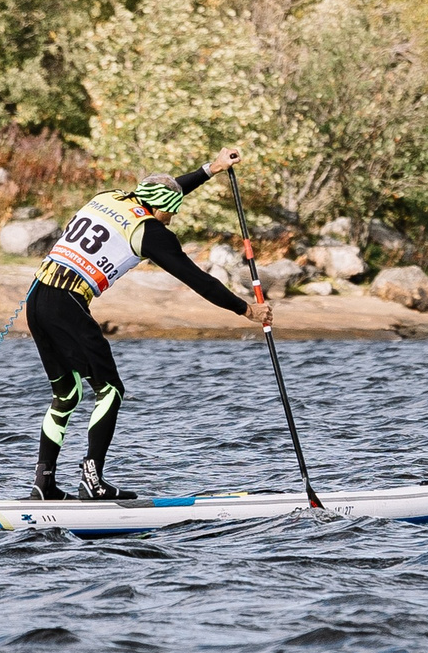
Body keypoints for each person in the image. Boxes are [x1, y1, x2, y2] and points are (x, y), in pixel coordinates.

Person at [26, 143, 270, 500]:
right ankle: (92, 481)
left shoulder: (109, 198)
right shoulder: (151, 232)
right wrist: (245, 309)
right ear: (160, 209)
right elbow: (197, 278)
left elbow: (165, 190)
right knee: (109, 390)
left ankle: (43, 484)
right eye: (171, 213)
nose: (172, 219)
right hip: (67, 304)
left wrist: (211, 169)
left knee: (66, 394)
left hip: (37, 299)